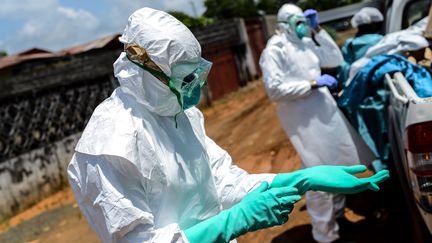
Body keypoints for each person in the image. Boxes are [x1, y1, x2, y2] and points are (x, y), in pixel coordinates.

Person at [68, 7, 389, 243]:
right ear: (142, 70)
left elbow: (222, 179)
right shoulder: (109, 146)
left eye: (196, 74)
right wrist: (236, 220)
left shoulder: (180, 114)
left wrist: (297, 180)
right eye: (184, 78)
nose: (195, 86)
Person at [260, 4, 379, 243]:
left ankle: (338, 218)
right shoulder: (275, 49)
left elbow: (334, 58)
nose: (302, 26)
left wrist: (318, 31)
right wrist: (313, 83)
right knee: (318, 175)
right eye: (299, 22)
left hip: (325, 112)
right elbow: (274, 90)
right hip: (304, 119)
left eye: (304, 21)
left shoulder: (304, 43)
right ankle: (326, 236)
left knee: (338, 165)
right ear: (284, 25)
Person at [339, 7, 384, 85]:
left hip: (359, 86)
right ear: (372, 25)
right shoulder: (382, 39)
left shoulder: (349, 44)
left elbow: (344, 71)